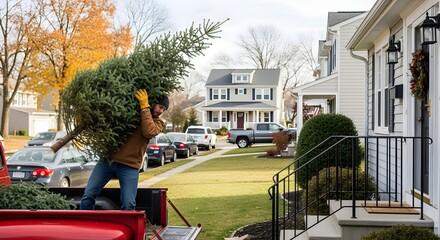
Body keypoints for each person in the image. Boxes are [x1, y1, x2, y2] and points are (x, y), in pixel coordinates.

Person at [80, 89, 168, 210]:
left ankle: (125, 228)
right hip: (108, 160)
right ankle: (85, 225)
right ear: (153, 102)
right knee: (88, 194)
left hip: (130, 165)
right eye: (160, 107)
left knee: (128, 204)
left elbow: (149, 131)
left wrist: (144, 107)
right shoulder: (129, 112)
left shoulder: (158, 123)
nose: (161, 111)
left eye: (164, 109)